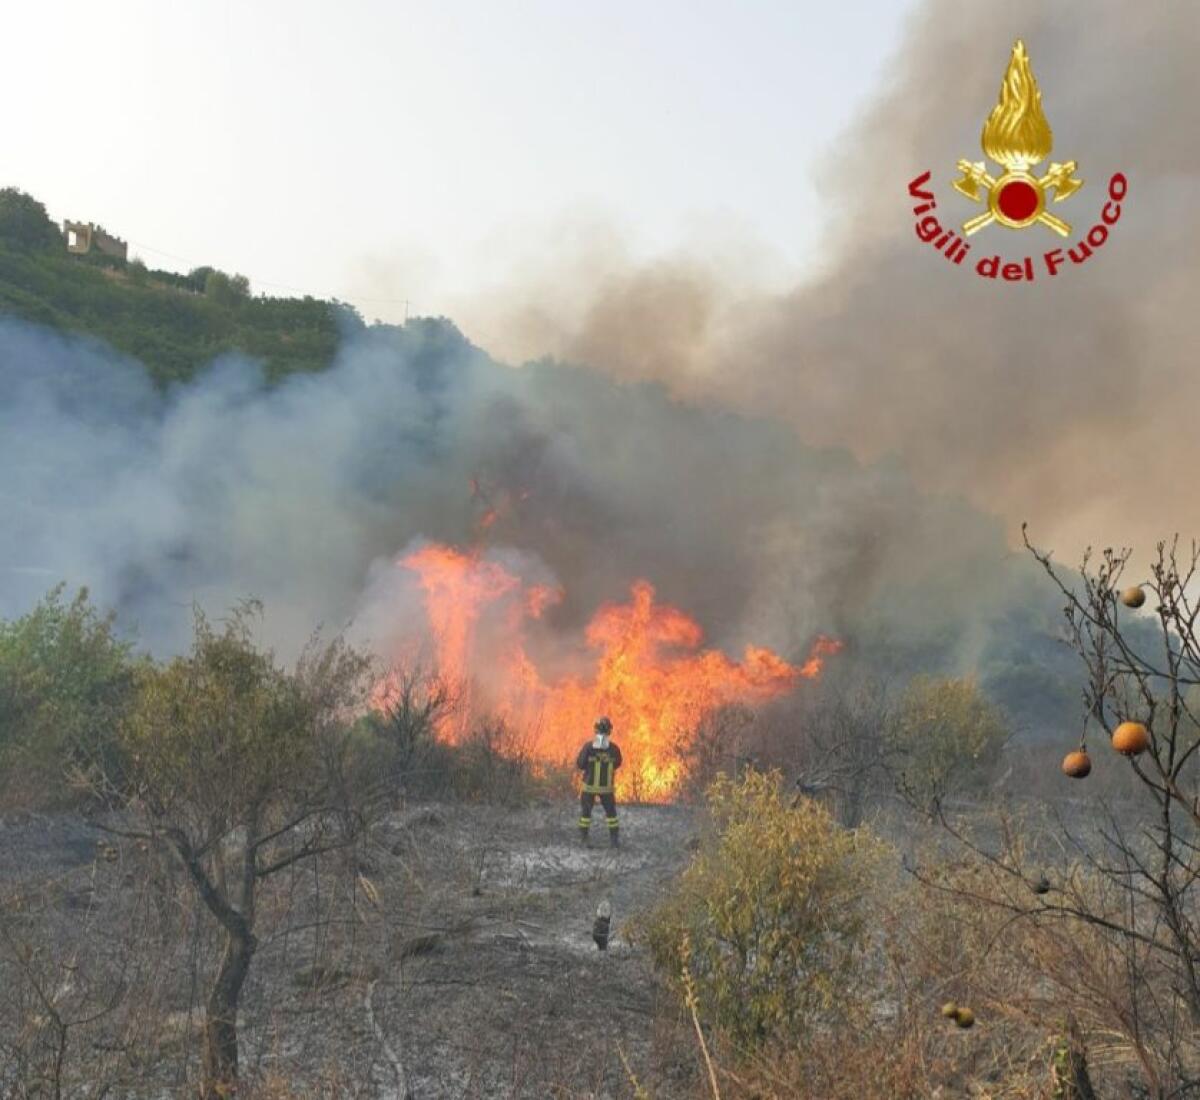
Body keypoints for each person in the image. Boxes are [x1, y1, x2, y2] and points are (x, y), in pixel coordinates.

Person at [577, 716, 622, 847]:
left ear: (595, 730)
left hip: (589, 787)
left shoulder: (588, 747)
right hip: (606, 789)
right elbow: (618, 763)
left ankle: (584, 838)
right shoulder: (614, 749)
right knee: (611, 814)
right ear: (609, 731)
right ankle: (614, 840)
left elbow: (580, 764)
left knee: (586, 814)